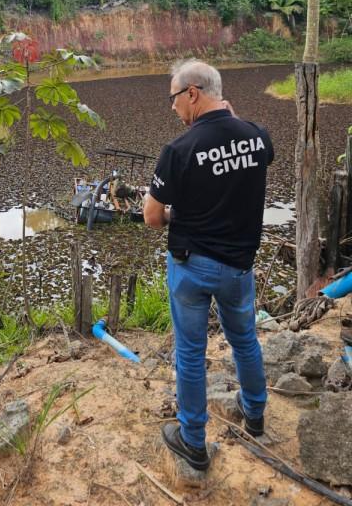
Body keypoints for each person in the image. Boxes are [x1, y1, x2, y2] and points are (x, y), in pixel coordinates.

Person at [143, 59, 273, 472]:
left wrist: (175, 217)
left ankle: (193, 440)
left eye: (174, 98)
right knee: (245, 340)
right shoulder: (255, 136)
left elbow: (151, 216)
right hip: (238, 267)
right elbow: (252, 151)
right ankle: (255, 415)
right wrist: (232, 120)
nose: (173, 107)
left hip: (192, 268)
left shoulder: (178, 151)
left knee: (191, 353)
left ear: (193, 93)